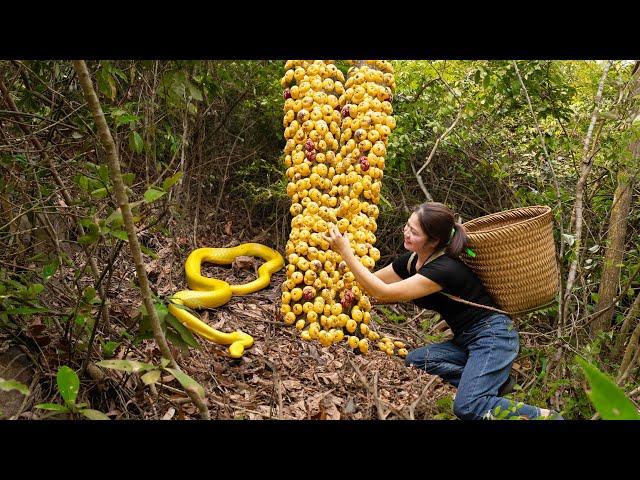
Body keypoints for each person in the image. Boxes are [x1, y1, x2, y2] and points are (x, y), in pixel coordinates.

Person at [323, 201, 562, 420]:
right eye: (408, 226)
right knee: (417, 360)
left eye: (414, 232)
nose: (407, 233)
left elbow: (383, 292)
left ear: (434, 240)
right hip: (466, 340)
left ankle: (545, 417)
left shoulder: (444, 268)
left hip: (493, 336)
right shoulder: (411, 261)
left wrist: (346, 251)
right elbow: (372, 282)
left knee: (468, 407)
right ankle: (493, 385)